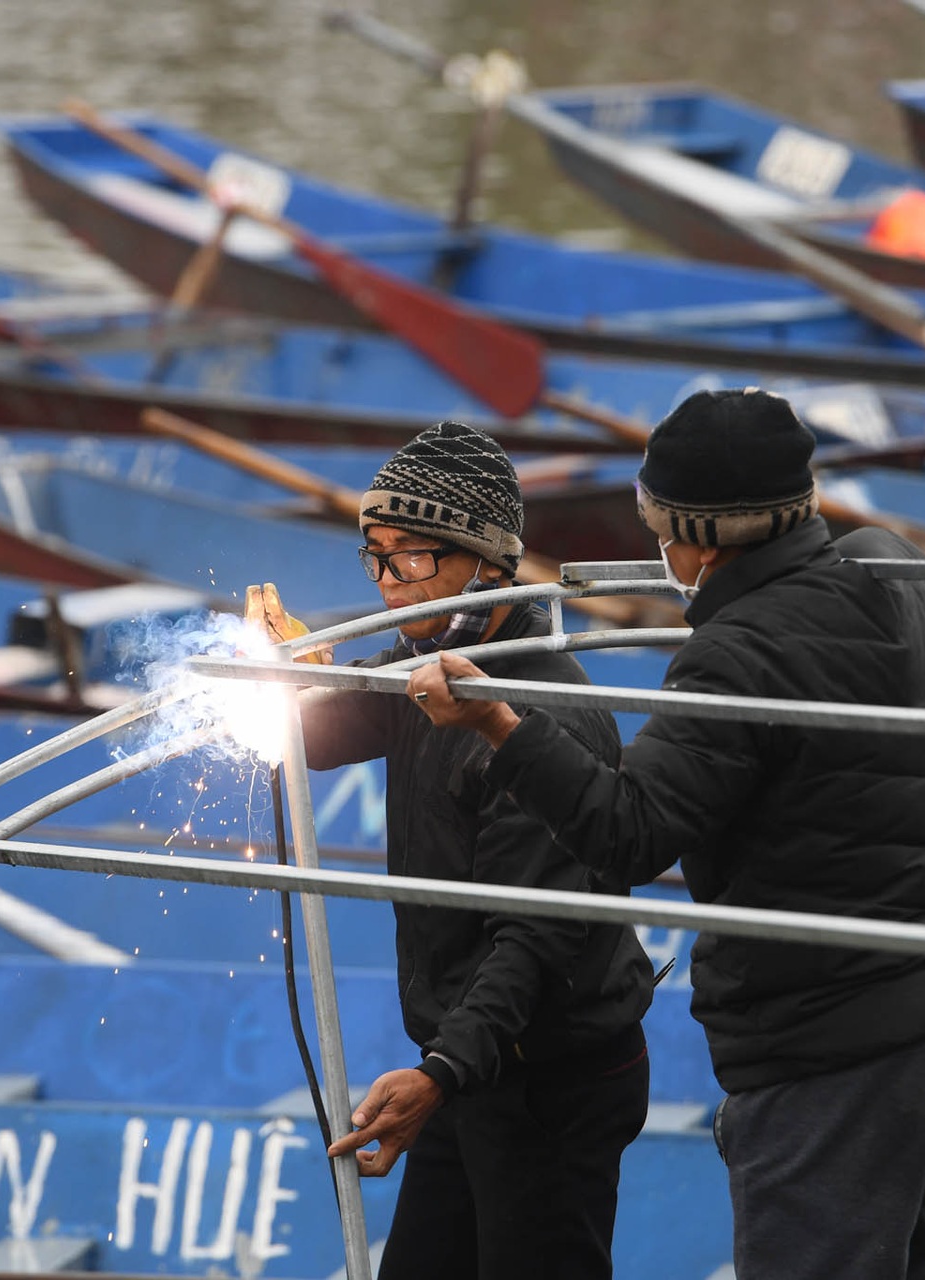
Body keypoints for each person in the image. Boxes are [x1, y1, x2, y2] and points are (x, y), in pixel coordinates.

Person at [406, 389, 925, 1280]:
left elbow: (628, 831)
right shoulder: (899, 568)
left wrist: (498, 722)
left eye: (660, 530)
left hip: (836, 1055)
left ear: (695, 539)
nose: (662, 554)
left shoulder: (737, 651)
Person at [250, 420, 655, 1280]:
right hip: (472, 1062)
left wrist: (436, 1072)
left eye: (415, 559)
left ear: (486, 561)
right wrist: (292, 667)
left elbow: (536, 942)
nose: (394, 586)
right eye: (377, 557)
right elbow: (321, 734)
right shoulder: (423, 657)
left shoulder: (543, 716)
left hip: (551, 1072)